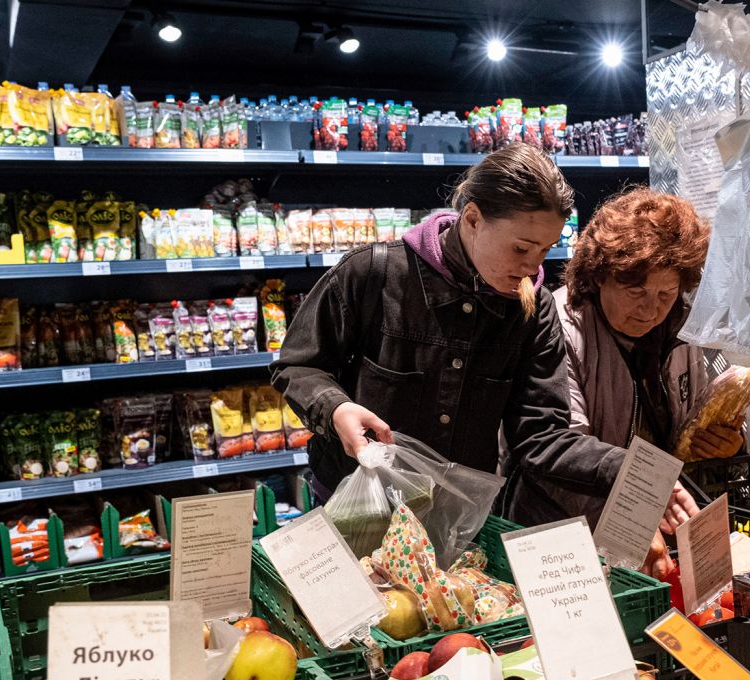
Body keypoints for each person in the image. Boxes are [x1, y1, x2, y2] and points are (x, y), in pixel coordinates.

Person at [272, 143, 697, 549]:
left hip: (454, 524)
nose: (533, 266)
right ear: (473, 219)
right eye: (521, 247)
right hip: (354, 508)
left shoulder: (533, 310)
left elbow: (541, 435)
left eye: (546, 249)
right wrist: (336, 408)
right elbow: (298, 365)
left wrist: (632, 471)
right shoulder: (375, 273)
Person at [505, 188, 742, 529]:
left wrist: (725, 446)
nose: (650, 310)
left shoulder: (680, 329)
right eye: (636, 292)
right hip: (565, 529)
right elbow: (564, 456)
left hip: (655, 518)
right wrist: (633, 521)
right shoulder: (560, 327)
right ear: (600, 276)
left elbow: (687, 430)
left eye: (666, 294)